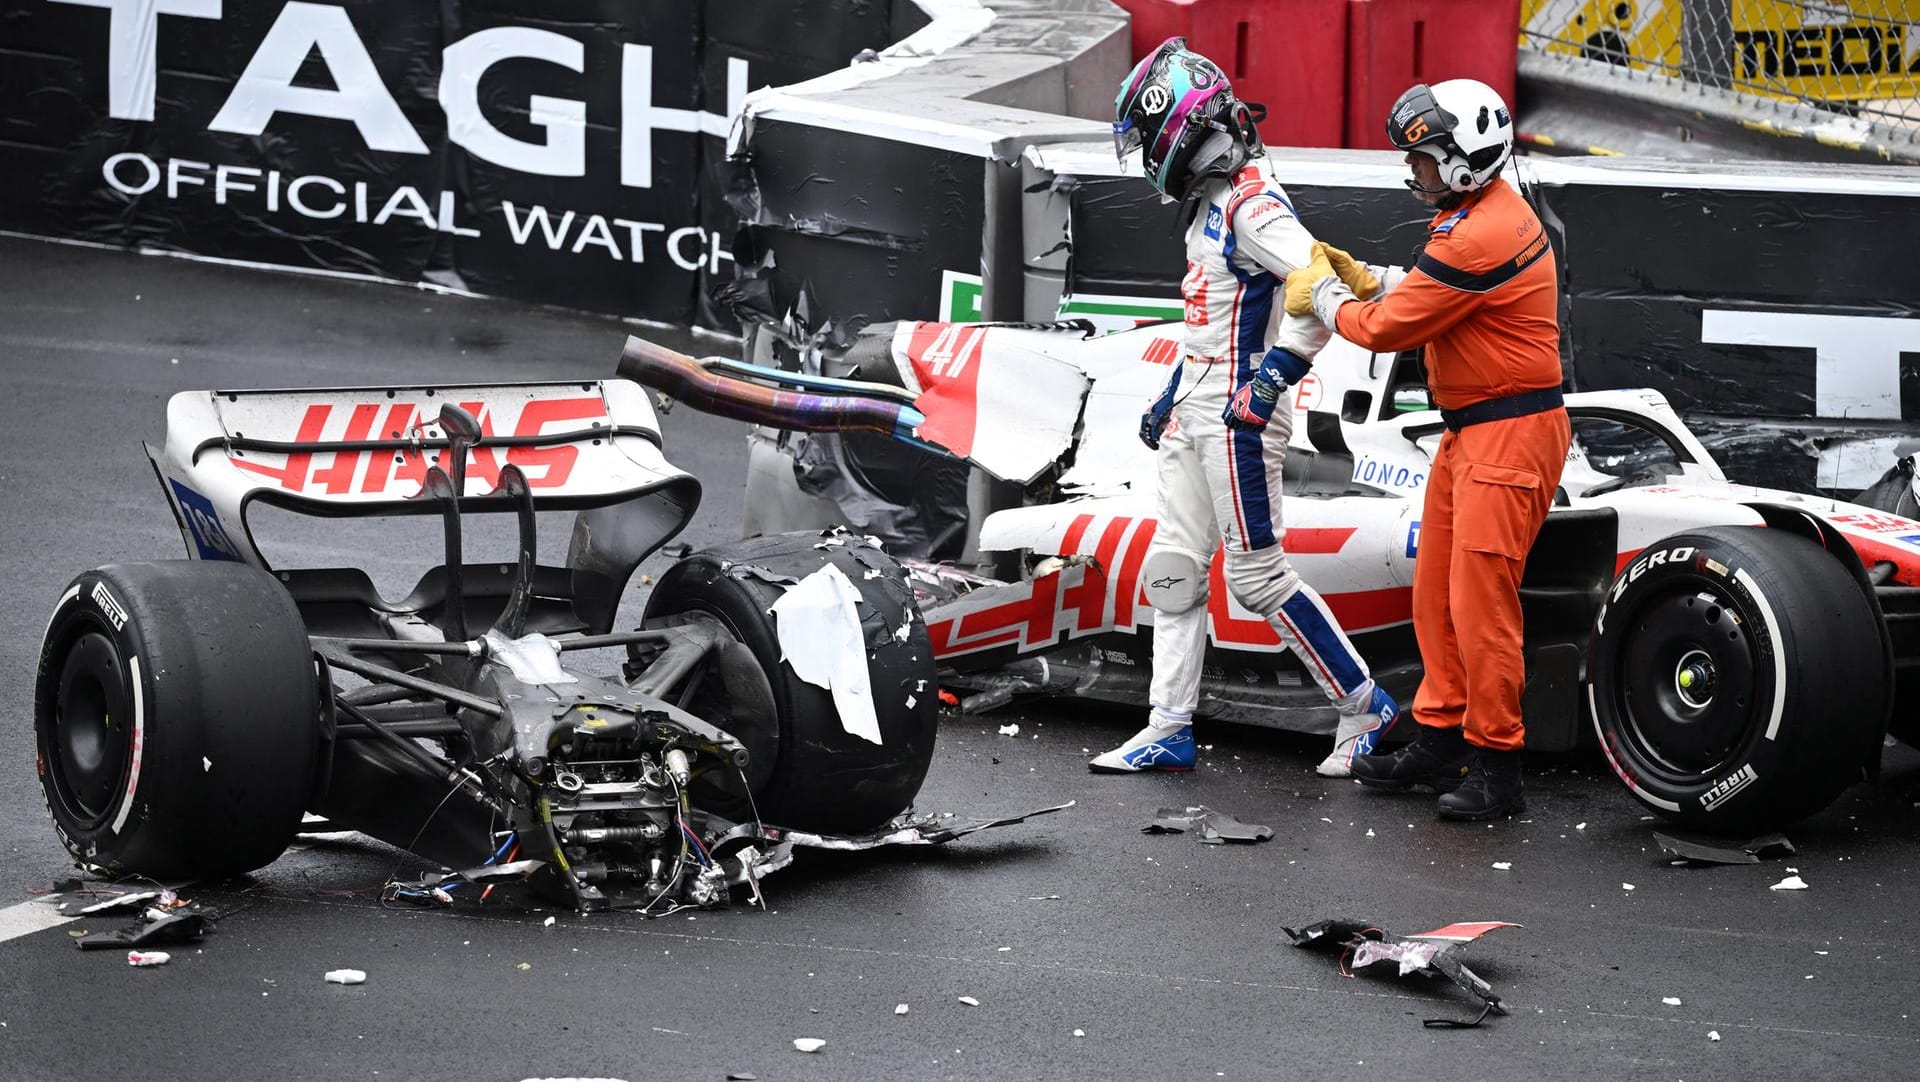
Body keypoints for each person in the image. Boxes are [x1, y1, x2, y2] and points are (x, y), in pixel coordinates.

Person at [1090, 38, 1399, 778]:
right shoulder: (1216, 201)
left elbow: (1321, 289)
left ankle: (1365, 705)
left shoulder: (1256, 205)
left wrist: (1269, 383)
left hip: (1237, 418)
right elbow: (1208, 321)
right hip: (1199, 406)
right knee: (1174, 568)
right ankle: (1168, 726)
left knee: (1256, 577)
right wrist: (1169, 396)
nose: (1143, 160)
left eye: (1148, 140)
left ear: (1181, 133)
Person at [1283, 78, 1571, 819]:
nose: (1414, 173)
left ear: (1467, 160)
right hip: (1476, 432)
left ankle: (1497, 766)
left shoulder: (1479, 232)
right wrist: (1362, 278)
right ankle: (1441, 733)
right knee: (1438, 594)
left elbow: (1384, 330)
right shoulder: (1477, 215)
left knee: (1481, 608)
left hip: (1507, 436)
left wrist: (1322, 293)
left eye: (1425, 160)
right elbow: (1425, 292)